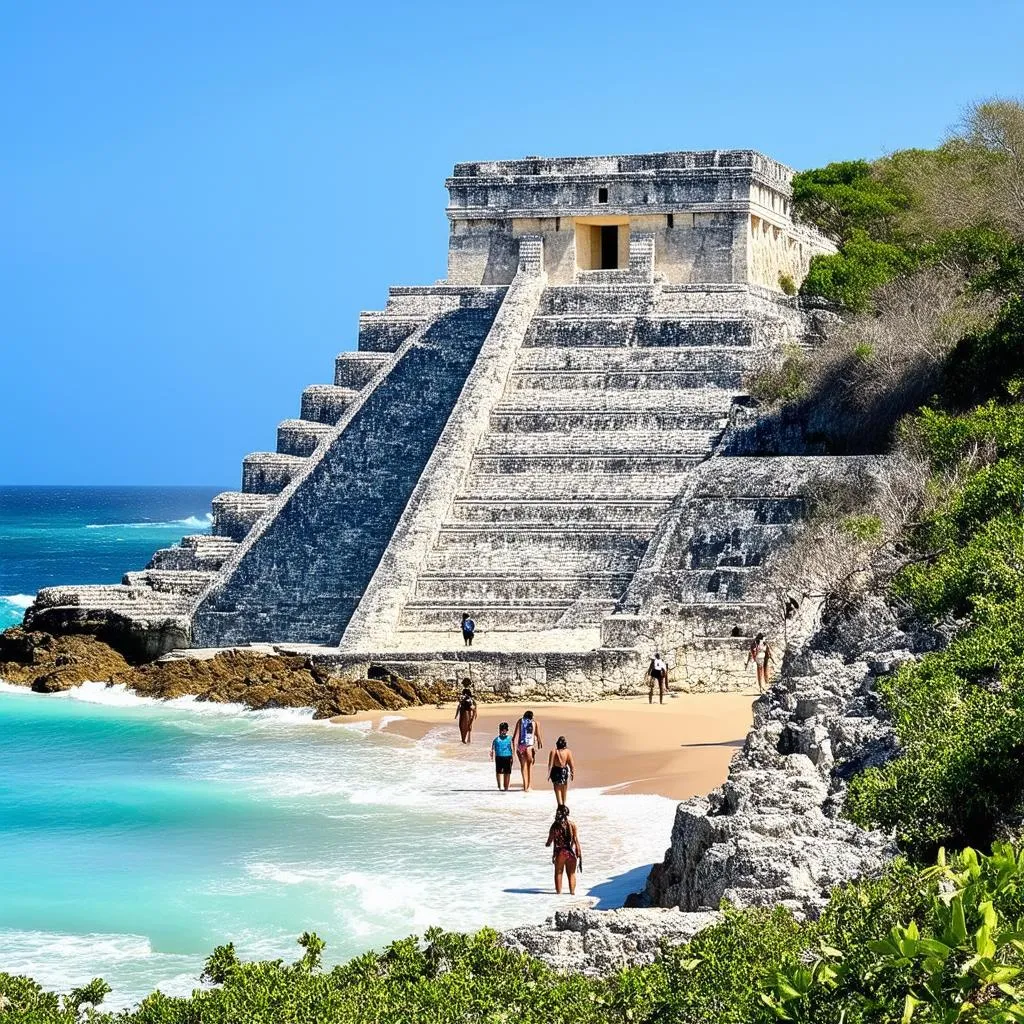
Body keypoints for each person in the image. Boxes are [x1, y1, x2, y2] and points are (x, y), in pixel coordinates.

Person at [545, 804, 582, 895]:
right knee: (571, 874)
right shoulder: (572, 825)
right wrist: (579, 853)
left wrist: (547, 844)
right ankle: (572, 894)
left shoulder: (554, 826)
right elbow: (576, 841)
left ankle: (559, 895)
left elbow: (549, 842)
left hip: (560, 853)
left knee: (558, 873)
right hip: (570, 853)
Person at [512, 709, 543, 792]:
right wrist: (539, 743)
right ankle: (529, 786)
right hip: (529, 747)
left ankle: (525, 786)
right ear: (532, 717)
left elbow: (515, 736)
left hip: (521, 747)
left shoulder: (520, 721)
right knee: (530, 767)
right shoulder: (536, 723)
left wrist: (514, 748)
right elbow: (538, 735)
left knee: (523, 767)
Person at [547, 735, 575, 806]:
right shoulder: (568, 752)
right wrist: (572, 773)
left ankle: (560, 806)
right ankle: (564, 806)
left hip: (555, 772)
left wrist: (548, 775)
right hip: (564, 772)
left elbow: (550, 765)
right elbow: (571, 765)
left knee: (557, 790)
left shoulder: (553, 751)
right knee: (564, 790)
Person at [490, 721, 514, 791]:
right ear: (499, 730)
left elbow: (512, 748)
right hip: (499, 757)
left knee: (507, 773)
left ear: (507, 730)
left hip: (508, 756)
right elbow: (492, 749)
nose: (503, 731)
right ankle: (499, 786)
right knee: (498, 772)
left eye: (504, 730)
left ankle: (506, 787)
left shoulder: (510, 738)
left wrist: (512, 757)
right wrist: (492, 755)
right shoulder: (496, 739)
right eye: (501, 730)